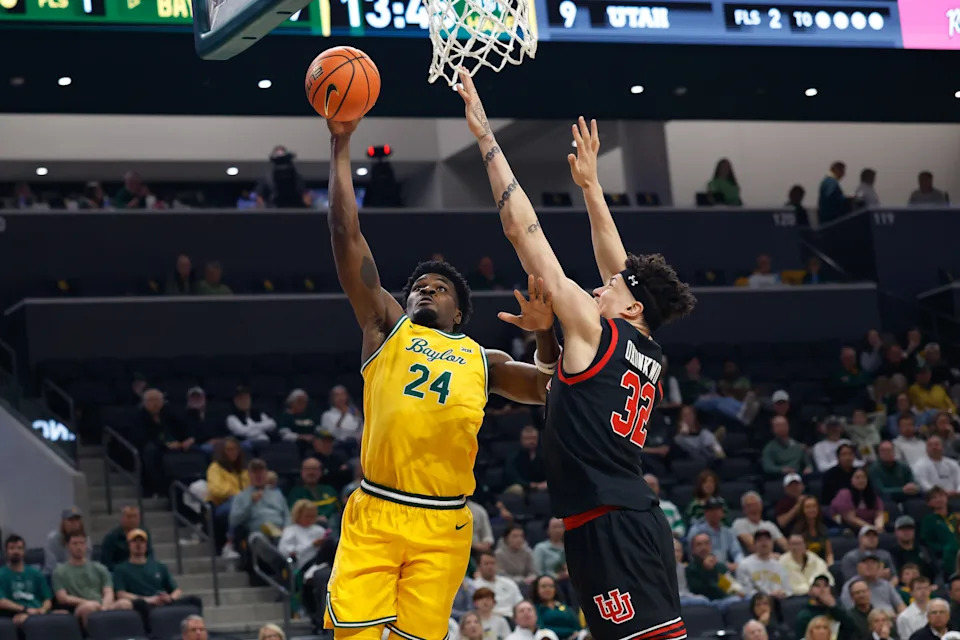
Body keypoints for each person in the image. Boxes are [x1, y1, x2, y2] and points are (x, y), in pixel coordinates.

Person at [459, 77, 699, 636]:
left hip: (612, 524)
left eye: (612, 286)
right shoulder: (648, 346)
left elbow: (525, 232)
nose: (599, 286)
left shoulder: (596, 331)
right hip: (621, 517)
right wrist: (590, 187)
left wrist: (485, 137)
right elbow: (619, 264)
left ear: (632, 306)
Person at [322, 115, 559, 640]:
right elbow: (346, 235)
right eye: (419, 286)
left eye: (439, 288)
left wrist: (544, 335)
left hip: (445, 521)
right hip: (378, 509)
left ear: (458, 313)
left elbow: (548, 386)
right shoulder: (386, 327)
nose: (426, 291)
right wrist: (340, 144)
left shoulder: (485, 359)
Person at [113, 529, 202, 623]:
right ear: (129, 545)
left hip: (162, 601)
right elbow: (121, 593)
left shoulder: (159, 566)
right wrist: (148, 600)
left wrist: (170, 598)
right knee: (139, 604)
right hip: (144, 603)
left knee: (194, 600)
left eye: (142, 541)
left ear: (146, 545)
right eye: (135, 541)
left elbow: (177, 590)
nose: (138, 544)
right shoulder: (121, 569)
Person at [52, 533, 132, 627]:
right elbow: (62, 598)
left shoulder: (99, 568)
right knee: (89, 607)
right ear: (67, 546)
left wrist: (104, 608)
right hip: (79, 607)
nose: (79, 547)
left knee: (125, 603)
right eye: (75, 543)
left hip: (102, 605)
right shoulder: (60, 571)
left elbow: (108, 592)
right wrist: (86, 602)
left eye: (82, 543)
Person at [0, 534, 66, 626]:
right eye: (12, 548)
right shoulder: (1, 574)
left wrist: (43, 610)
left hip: (38, 611)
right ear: (6, 552)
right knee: (25, 620)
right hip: (16, 614)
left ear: (24, 551)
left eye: (19, 548)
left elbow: (47, 599)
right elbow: (2, 602)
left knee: (64, 615)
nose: (16, 551)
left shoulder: (36, 573)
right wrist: (25, 609)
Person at [205, 437, 249, 559]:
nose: (233, 452)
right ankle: (229, 544)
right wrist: (238, 494)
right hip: (221, 505)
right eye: (229, 449)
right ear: (222, 452)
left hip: (243, 503)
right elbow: (215, 489)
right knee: (237, 503)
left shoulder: (243, 470)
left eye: (235, 449)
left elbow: (250, 488)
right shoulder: (215, 467)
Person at [229, 459, 291, 540]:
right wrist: (251, 502)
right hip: (258, 534)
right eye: (255, 472)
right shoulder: (241, 496)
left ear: (266, 473)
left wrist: (286, 530)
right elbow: (233, 521)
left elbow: (287, 516)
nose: (258, 475)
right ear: (249, 475)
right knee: (258, 538)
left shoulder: (277, 493)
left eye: (261, 471)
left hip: (281, 533)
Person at [795, 577, 859, 640]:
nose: (822, 589)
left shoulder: (836, 611)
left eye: (825, 586)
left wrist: (833, 606)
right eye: (817, 586)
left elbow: (852, 629)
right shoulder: (805, 615)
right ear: (810, 591)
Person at [839, 554, 904, 614]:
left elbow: (900, 605)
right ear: (858, 567)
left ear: (878, 567)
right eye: (865, 562)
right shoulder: (851, 586)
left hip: (891, 620)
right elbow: (850, 610)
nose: (869, 565)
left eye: (873, 563)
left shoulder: (885, 584)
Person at [736, 529, 790, 597]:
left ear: (772, 543)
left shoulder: (780, 564)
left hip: (780, 600)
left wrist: (783, 593)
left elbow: (788, 588)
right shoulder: (744, 564)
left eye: (767, 540)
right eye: (760, 540)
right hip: (757, 602)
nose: (764, 543)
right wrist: (768, 595)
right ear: (754, 544)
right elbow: (745, 590)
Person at [287, 457, 340, 525]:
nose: (311, 472)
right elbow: (295, 513)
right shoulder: (295, 492)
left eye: (315, 469)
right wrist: (315, 519)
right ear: (302, 472)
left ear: (321, 472)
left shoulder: (329, 490)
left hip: (330, 528)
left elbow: (337, 510)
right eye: (307, 469)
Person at [471, 552, 524, 618]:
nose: (490, 567)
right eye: (486, 564)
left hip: (512, 617)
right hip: (489, 618)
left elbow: (519, 602)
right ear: (479, 567)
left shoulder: (509, 583)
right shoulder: (474, 586)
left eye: (492, 563)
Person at [99, 505, 153, 571]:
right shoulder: (111, 537)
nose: (132, 520)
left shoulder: (144, 533)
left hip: (142, 569)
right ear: (122, 518)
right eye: (129, 517)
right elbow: (106, 563)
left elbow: (150, 555)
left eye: (135, 516)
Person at [919, 487, 960, 570]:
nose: (939, 499)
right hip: (945, 555)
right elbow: (927, 541)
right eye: (934, 497)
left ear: (947, 498)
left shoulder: (956, 516)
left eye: (941, 496)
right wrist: (945, 549)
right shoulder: (929, 520)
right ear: (929, 503)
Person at [530, 575, 582, 640]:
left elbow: (577, 627)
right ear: (537, 589)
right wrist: (570, 632)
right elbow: (542, 628)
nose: (548, 589)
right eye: (544, 586)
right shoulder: (534, 609)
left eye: (551, 586)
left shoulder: (564, 607)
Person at [44, 508, 91, 575]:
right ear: (63, 522)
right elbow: (51, 566)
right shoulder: (52, 539)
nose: (75, 524)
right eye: (71, 520)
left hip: (80, 574)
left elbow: (87, 563)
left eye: (77, 520)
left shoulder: (86, 539)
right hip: (57, 575)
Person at [890, 517, 935, 581]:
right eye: (903, 529)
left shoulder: (924, 550)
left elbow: (936, 571)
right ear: (896, 532)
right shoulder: (892, 553)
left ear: (914, 531)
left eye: (909, 529)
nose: (906, 532)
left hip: (926, 586)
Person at [793, 497, 835, 565]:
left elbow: (829, 554)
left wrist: (829, 565)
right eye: (808, 507)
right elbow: (796, 556)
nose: (811, 509)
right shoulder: (797, 531)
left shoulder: (823, 529)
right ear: (802, 510)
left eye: (814, 506)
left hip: (822, 566)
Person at [645, 473, 685, 538]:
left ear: (658, 487)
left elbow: (680, 527)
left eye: (653, 485)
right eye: (648, 485)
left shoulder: (670, 507)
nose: (650, 488)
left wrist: (672, 533)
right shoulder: (636, 508)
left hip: (670, 540)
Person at [897, 574, 933, 640]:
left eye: (926, 588)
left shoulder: (937, 611)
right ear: (911, 592)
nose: (923, 591)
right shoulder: (904, 617)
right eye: (919, 588)